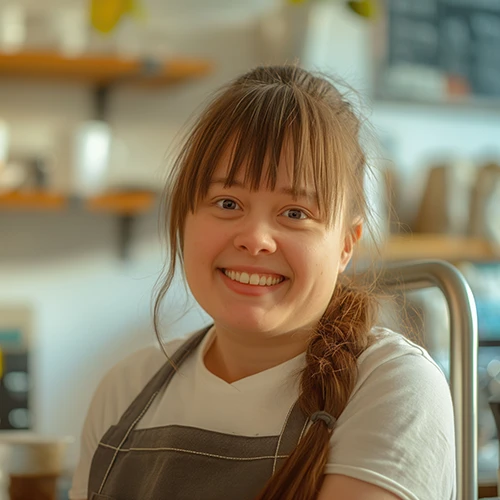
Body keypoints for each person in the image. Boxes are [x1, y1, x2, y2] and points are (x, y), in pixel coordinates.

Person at [69, 65, 456, 500]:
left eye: (295, 213)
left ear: (346, 245)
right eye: (227, 202)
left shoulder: (395, 388)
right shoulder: (124, 390)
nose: (255, 239)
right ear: (183, 220)